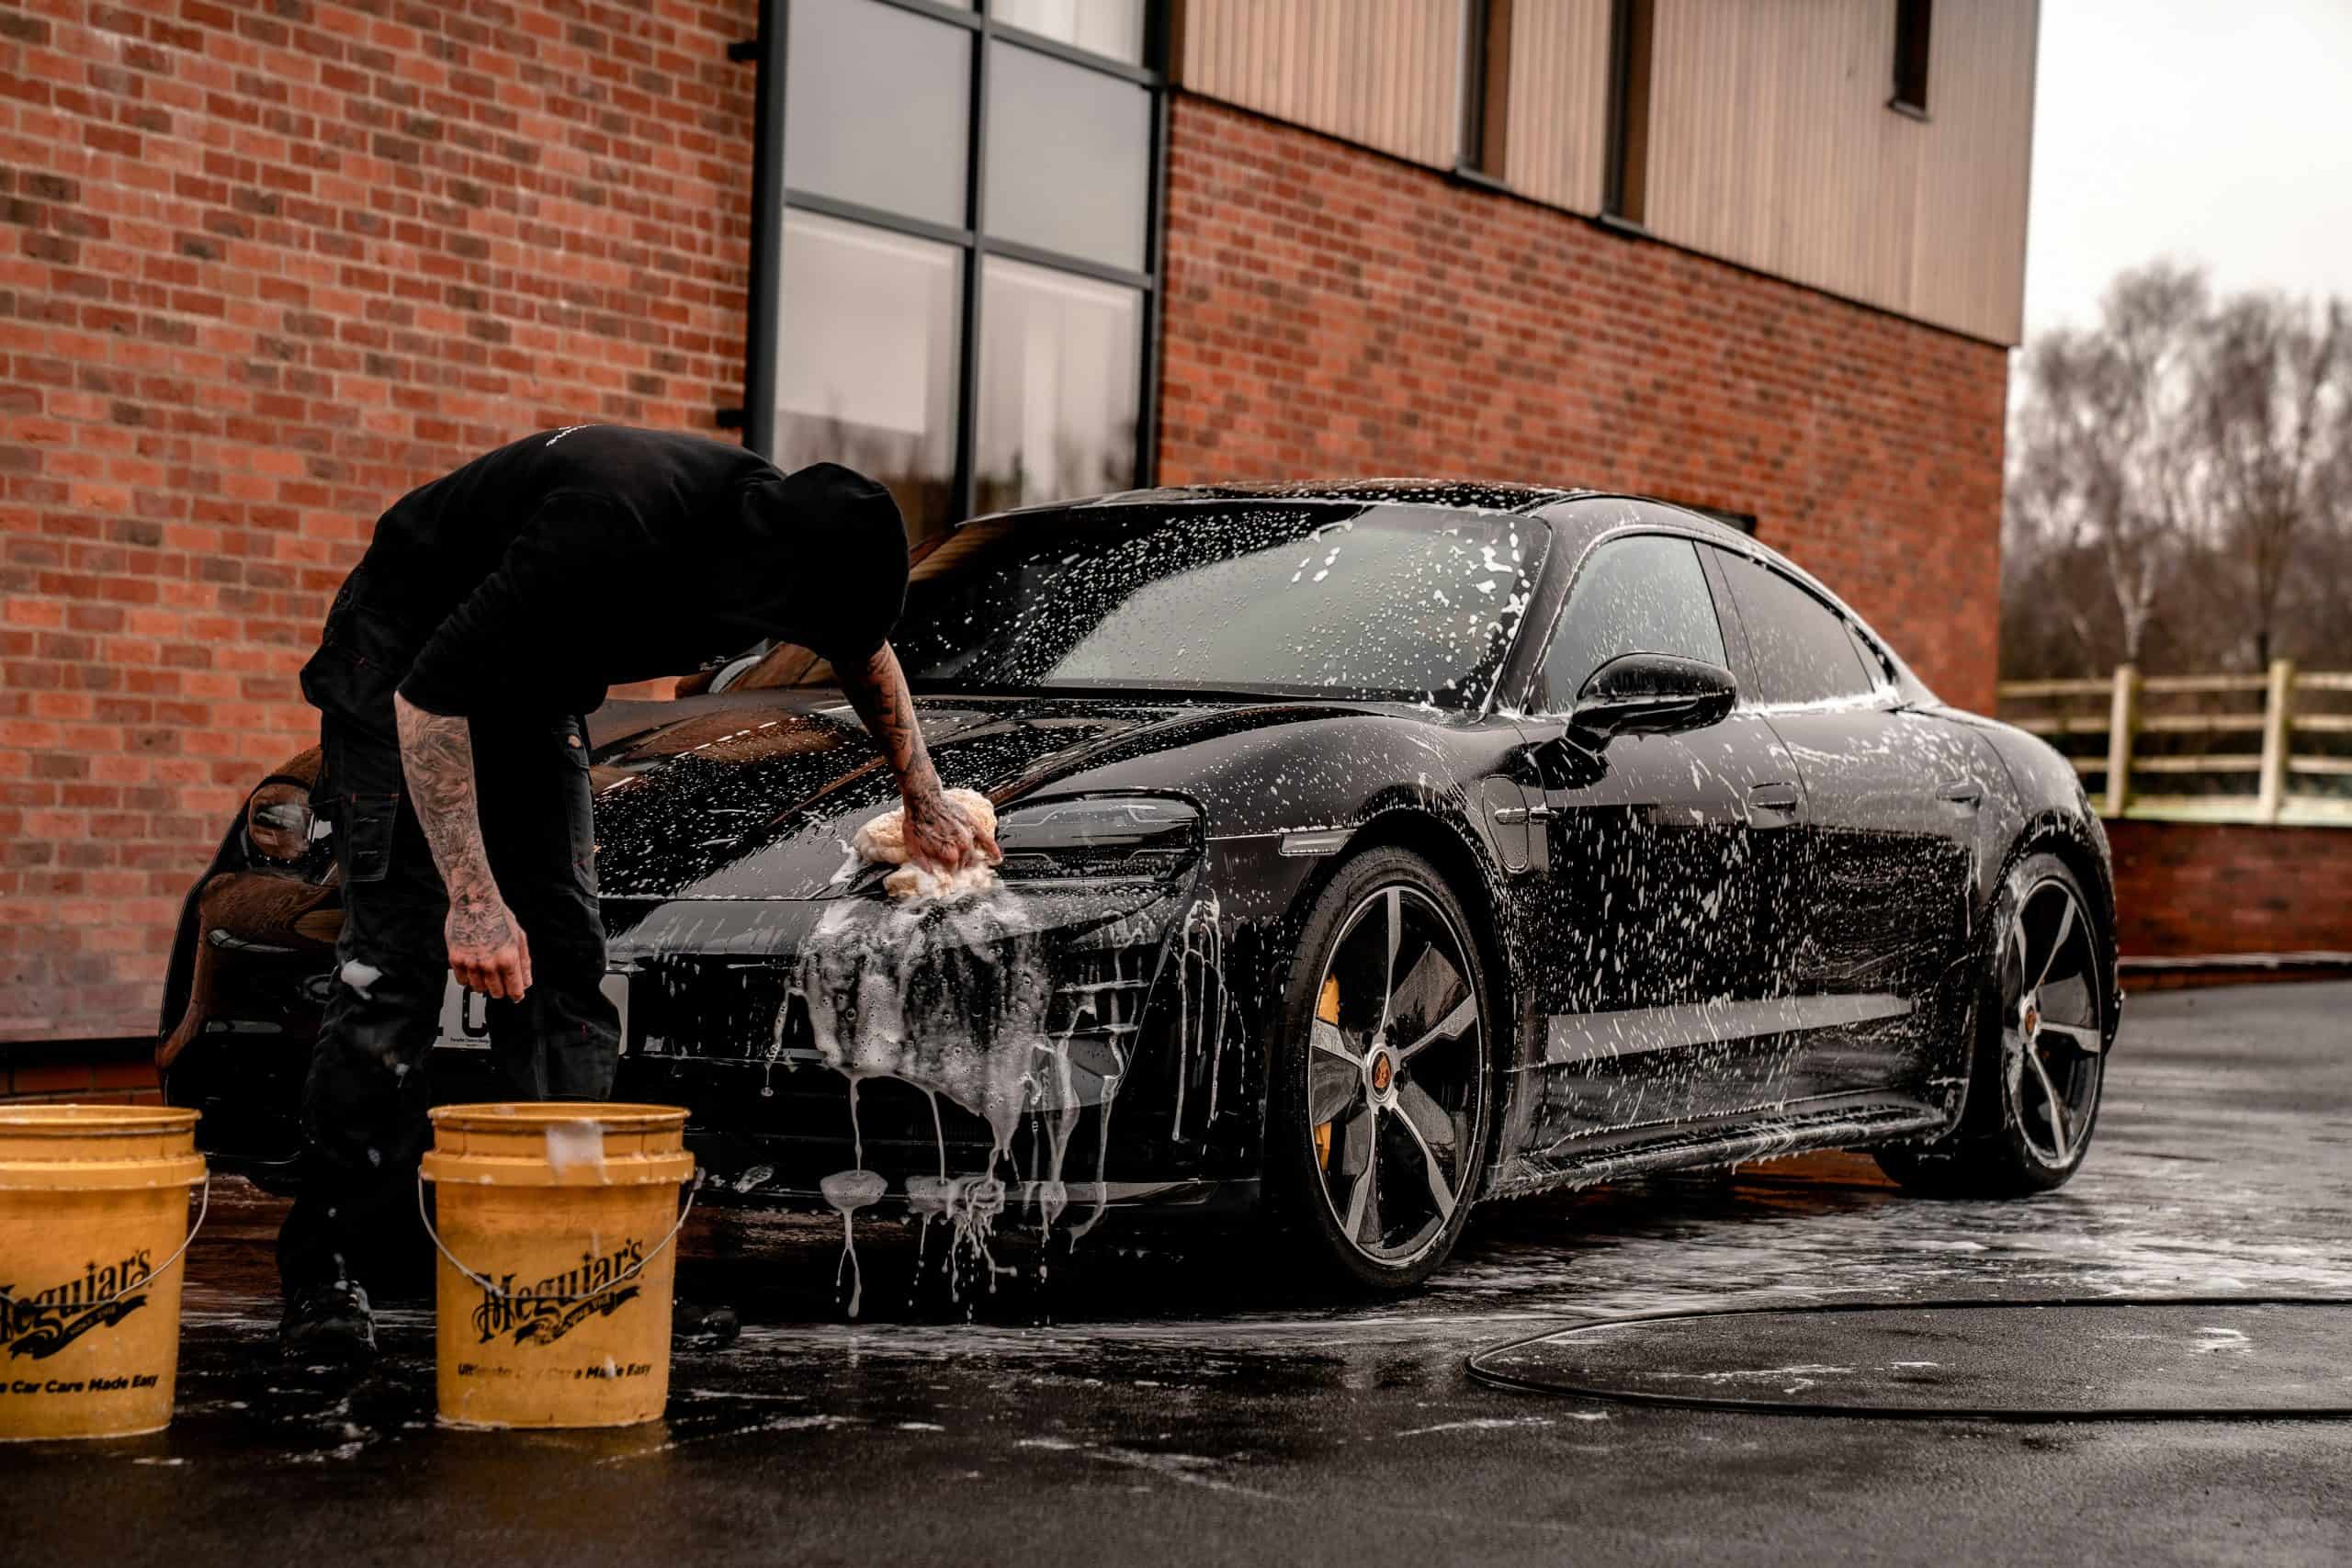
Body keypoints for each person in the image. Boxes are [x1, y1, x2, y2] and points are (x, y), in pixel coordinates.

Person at [278, 424, 998, 1358]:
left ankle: (568, 1254)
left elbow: (865, 653)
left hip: (530, 679)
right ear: (763, 576)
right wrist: (475, 898)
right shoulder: (611, 523)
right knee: (397, 969)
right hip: (402, 667)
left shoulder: (803, 535)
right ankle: (329, 1263)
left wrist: (923, 795)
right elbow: (429, 702)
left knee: (566, 968)